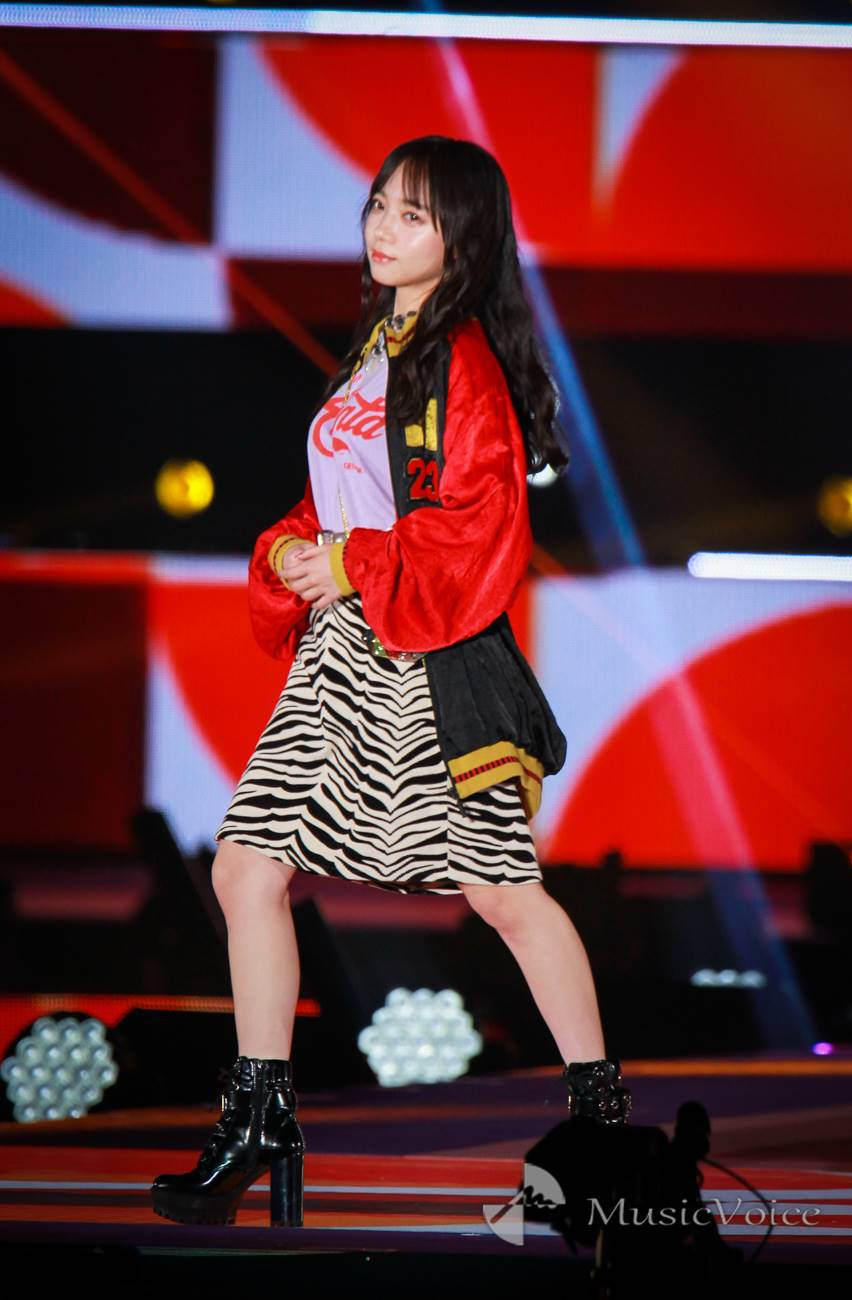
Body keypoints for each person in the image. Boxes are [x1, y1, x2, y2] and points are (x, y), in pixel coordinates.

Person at [151, 136, 631, 1230]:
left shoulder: (460, 361)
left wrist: (352, 564)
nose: (384, 227)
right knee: (245, 866)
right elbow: (340, 499)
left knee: (503, 893)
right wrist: (294, 549)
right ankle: (260, 1115)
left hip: (420, 657)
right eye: (379, 204)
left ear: (463, 235)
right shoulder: (380, 345)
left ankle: (602, 1130)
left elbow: (480, 529)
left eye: (414, 213)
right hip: (342, 655)